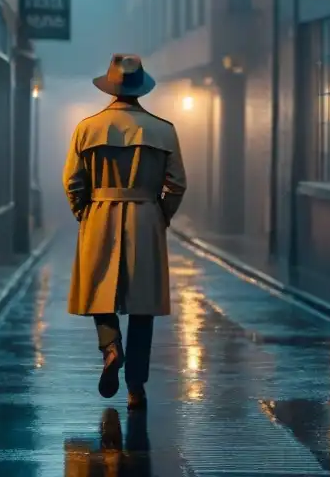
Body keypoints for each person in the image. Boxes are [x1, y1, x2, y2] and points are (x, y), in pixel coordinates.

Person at [62, 54, 187, 410]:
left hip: (99, 211)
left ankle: (111, 346)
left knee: (98, 289)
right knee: (142, 305)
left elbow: (73, 180)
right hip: (145, 214)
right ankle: (135, 387)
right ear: (139, 87)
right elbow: (177, 183)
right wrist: (159, 213)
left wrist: (83, 211)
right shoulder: (164, 129)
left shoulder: (87, 128)